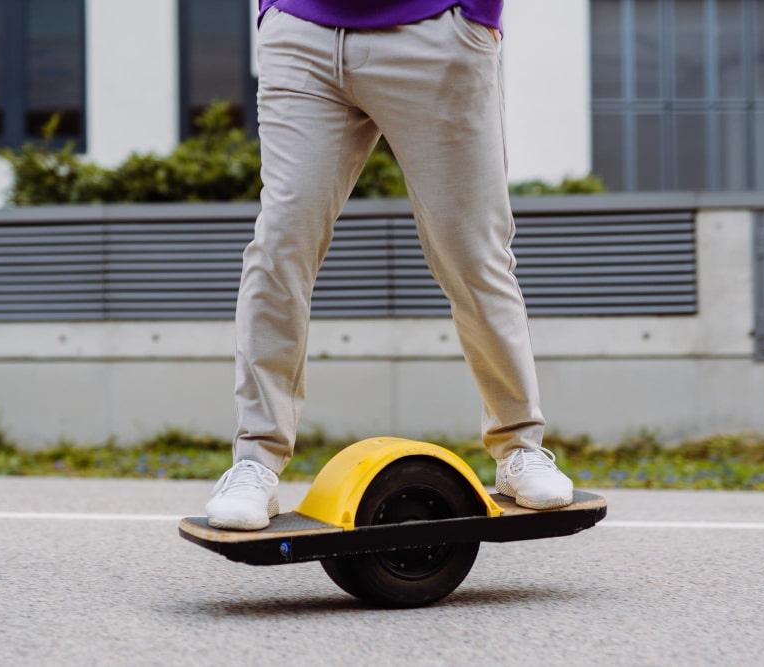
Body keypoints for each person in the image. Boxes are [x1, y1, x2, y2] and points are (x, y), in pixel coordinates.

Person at [206, 0, 574, 530]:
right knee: (280, 246)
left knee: (472, 255)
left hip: (435, 32)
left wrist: (475, 16)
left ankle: (519, 446)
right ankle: (255, 462)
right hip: (301, 33)